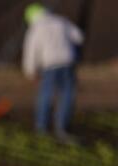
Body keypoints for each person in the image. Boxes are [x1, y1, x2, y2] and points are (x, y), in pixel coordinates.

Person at [22, 3, 85, 140]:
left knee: (45, 95)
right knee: (67, 95)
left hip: (50, 65)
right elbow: (79, 37)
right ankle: (62, 127)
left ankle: (41, 128)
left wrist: (30, 71)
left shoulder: (35, 29)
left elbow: (31, 51)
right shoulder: (61, 21)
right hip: (68, 62)